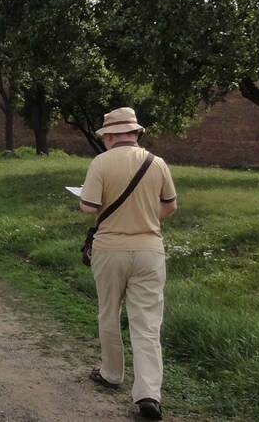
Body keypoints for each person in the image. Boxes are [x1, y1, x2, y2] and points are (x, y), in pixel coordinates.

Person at [79, 107, 177, 420]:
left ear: (108, 136)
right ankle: (148, 394)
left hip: (110, 249)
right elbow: (170, 205)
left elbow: (88, 207)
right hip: (150, 249)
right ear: (136, 133)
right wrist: (146, 220)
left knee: (109, 312)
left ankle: (111, 373)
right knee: (147, 323)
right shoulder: (157, 163)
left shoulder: (101, 163)